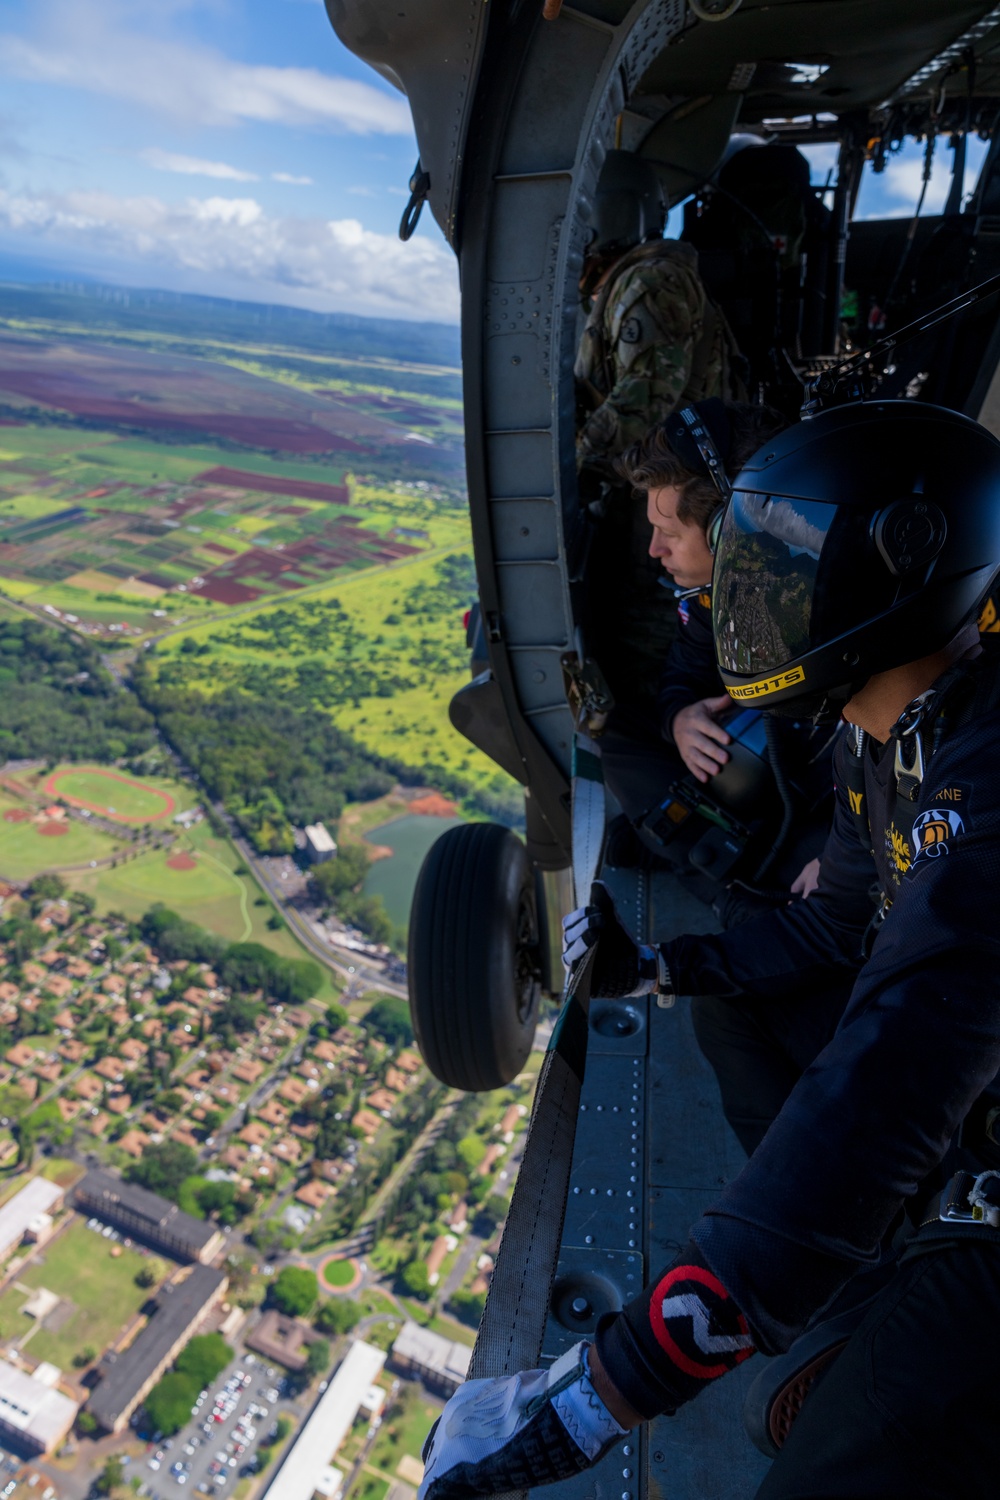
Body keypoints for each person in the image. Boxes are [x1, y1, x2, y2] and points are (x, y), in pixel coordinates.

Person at [417, 399, 1000, 1500]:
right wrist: (661, 970)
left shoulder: (985, 766)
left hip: (973, 1147)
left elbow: (897, 1065)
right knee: (732, 1006)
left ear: (884, 573)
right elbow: (833, 930)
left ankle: (863, 1278)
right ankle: (852, 1274)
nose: (742, 600)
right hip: (964, 1133)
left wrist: (603, 1389)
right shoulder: (886, 743)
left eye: (772, 567)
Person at [599, 399, 831, 898]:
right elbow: (683, 673)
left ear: (734, 529)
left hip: (832, 802)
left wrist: (853, 850)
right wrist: (680, 719)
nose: (654, 551)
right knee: (621, 735)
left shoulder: (830, 593)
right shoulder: (716, 591)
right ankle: (705, 855)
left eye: (669, 534)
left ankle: (705, 865)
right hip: (757, 765)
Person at [575, 150, 744, 714]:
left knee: (653, 622)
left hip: (679, 496)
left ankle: (665, 731)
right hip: (659, 490)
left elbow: (644, 399)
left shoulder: (650, 282)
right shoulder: (627, 285)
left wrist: (575, 465)